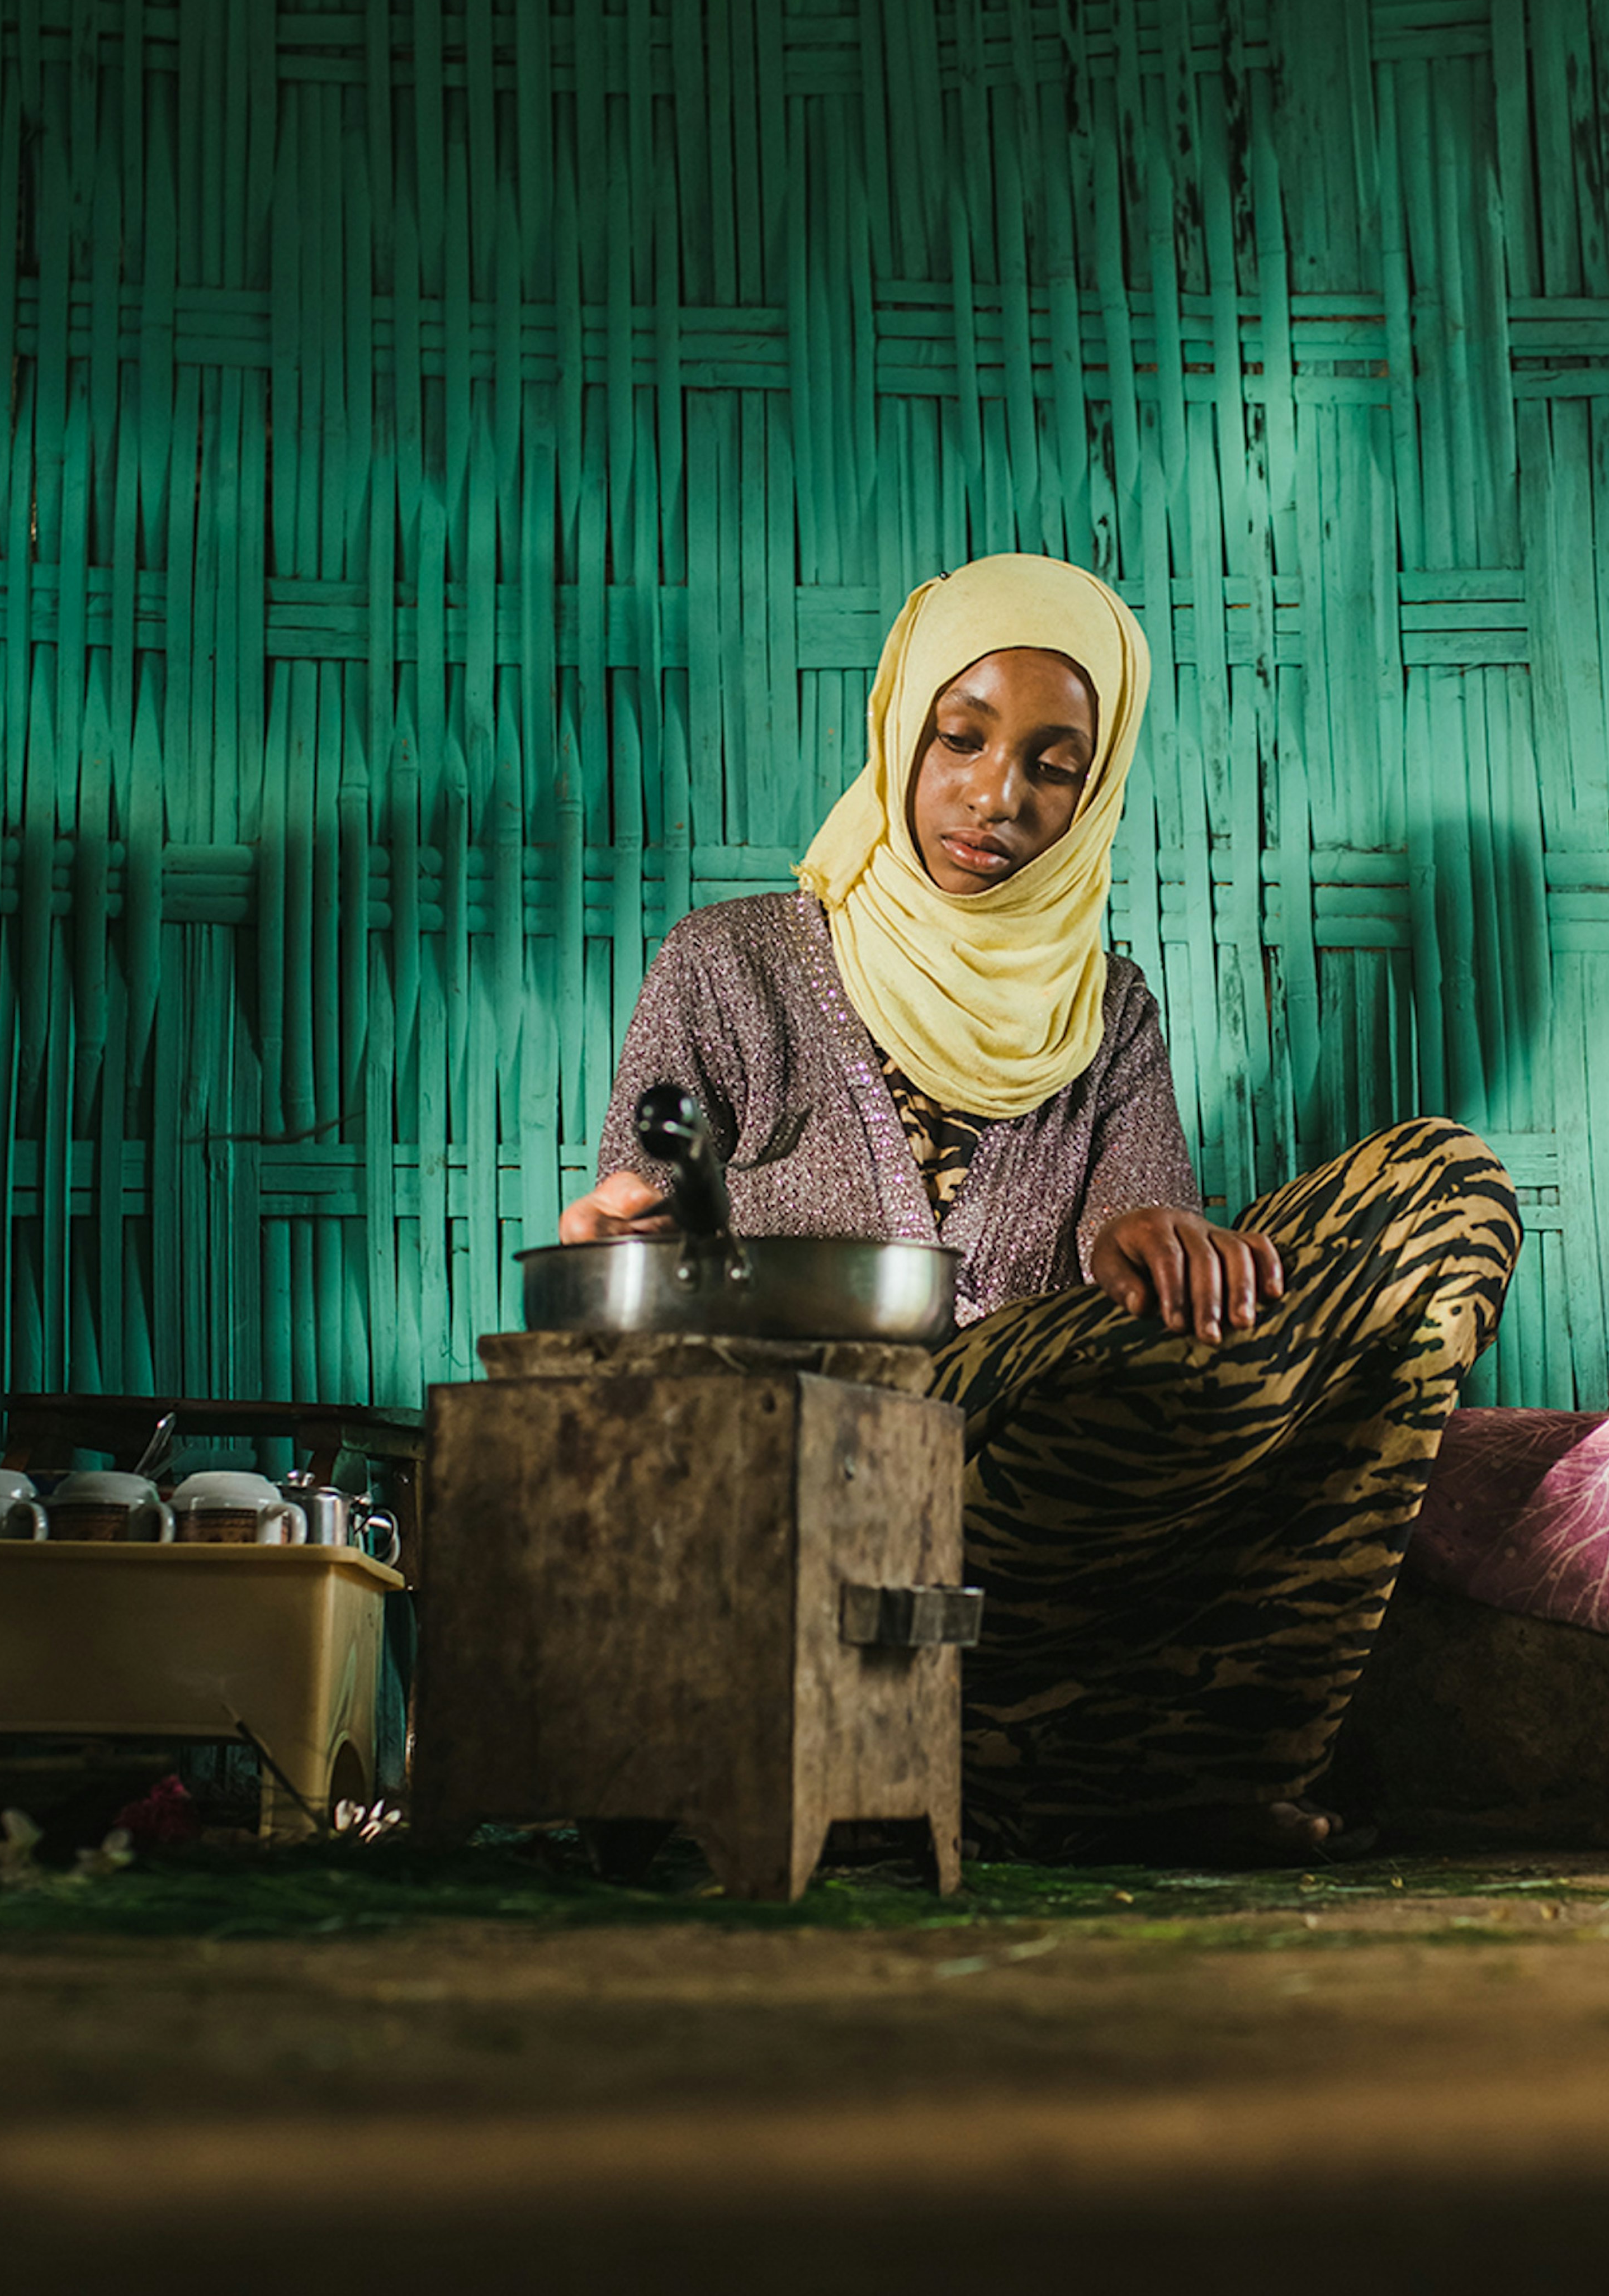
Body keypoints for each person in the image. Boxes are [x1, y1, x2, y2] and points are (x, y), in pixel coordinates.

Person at [561, 554, 1521, 1862]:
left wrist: (1150, 1232)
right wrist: (632, 1239)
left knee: (1445, 1184)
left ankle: (1178, 1758)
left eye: (1054, 764)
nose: (997, 796)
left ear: (1099, 785)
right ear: (902, 727)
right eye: (960, 737)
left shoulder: (1108, 1012)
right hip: (798, 1496)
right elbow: (641, 1227)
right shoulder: (731, 968)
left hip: (1045, 1503)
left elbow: (1148, 1230)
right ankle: (1001, 1758)